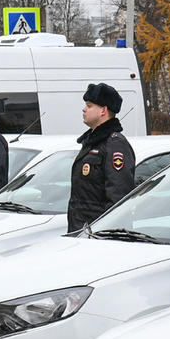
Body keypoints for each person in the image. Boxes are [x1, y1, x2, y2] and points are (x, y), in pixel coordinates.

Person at [67, 83, 135, 232]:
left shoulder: (115, 145)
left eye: (89, 106)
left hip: (98, 235)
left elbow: (118, 198)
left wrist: (107, 235)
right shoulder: (92, 142)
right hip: (81, 231)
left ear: (103, 110)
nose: (84, 109)